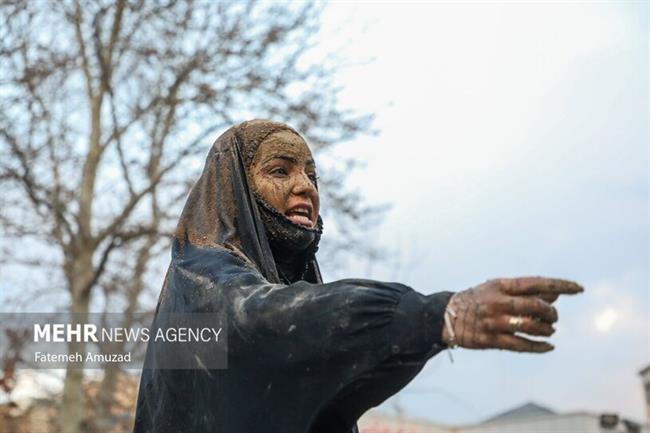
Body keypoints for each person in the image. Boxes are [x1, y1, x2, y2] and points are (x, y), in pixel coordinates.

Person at [132, 119, 583, 433]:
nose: (306, 185)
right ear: (235, 190)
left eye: (312, 173)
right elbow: (264, 323)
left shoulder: (281, 282)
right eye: (279, 170)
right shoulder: (203, 281)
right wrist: (434, 316)